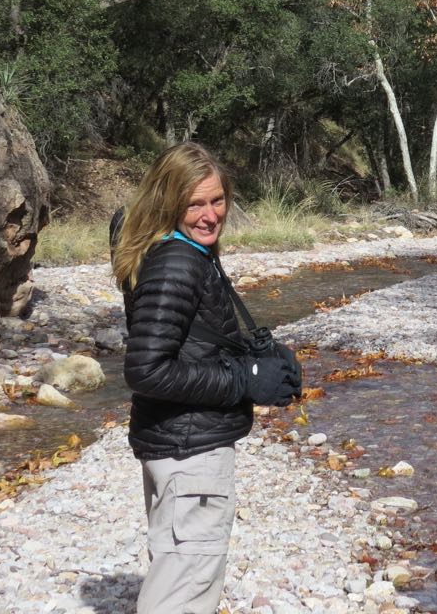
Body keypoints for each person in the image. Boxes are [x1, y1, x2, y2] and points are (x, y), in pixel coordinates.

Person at [111, 143, 301, 614]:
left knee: (178, 573)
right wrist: (243, 379)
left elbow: (189, 342)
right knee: (182, 593)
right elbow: (146, 369)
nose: (211, 214)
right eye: (195, 203)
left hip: (177, 444)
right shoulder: (178, 261)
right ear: (167, 202)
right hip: (190, 454)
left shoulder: (180, 251)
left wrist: (251, 358)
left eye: (218, 200)